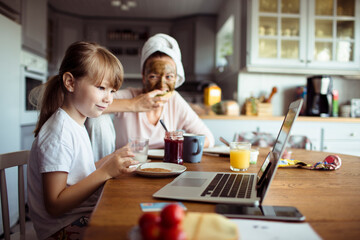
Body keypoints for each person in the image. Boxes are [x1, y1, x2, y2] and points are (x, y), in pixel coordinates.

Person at [27, 41, 138, 240]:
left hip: (77, 217)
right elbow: (55, 205)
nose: (109, 99)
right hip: (61, 229)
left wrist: (112, 159)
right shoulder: (59, 134)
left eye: (112, 91)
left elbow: (77, 175)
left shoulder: (75, 124)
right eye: (101, 88)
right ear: (70, 82)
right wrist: (105, 172)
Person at [86, 33, 215, 160]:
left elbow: (208, 139)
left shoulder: (175, 101)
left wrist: (176, 143)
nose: (161, 85)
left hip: (166, 167)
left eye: (169, 77)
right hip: (127, 167)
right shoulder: (130, 96)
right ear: (143, 76)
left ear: (176, 78)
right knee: (97, 118)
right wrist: (133, 104)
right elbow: (89, 105)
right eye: (153, 76)